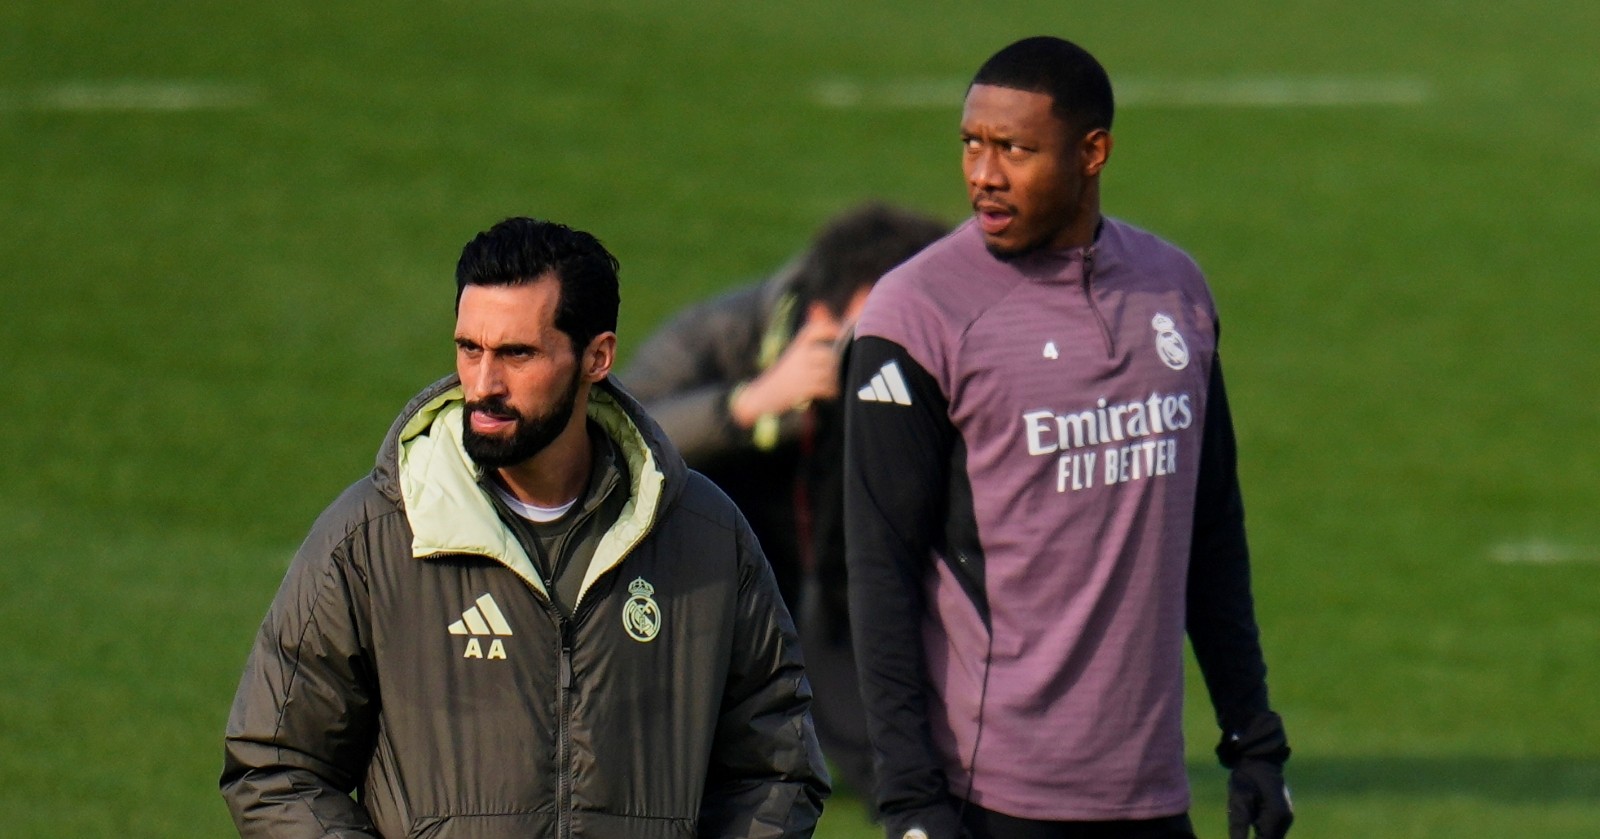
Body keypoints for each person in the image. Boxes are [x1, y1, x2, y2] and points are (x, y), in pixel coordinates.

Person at [221, 217, 829, 838]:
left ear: (597, 357)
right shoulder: (372, 537)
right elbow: (276, 767)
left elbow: (778, 769)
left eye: (517, 353)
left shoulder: (704, 537)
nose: (483, 384)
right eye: (469, 349)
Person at [843, 37, 1293, 839]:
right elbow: (881, 569)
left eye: (1014, 150)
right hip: (993, 798)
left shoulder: (1176, 291)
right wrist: (909, 801)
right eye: (971, 145)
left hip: (1151, 795)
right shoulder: (919, 314)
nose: (983, 174)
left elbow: (1211, 527)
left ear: (1093, 153)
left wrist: (1252, 738)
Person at [621, 202, 948, 806]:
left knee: (898, 768)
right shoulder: (723, 333)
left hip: (850, 564)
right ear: (824, 316)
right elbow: (614, 441)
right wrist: (748, 404)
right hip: (724, 555)